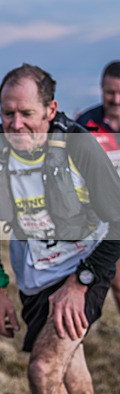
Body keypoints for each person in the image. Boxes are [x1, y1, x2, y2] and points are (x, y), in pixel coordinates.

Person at [0, 63, 120, 394]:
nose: (16, 125)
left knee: (43, 369)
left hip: (86, 265)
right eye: (7, 113)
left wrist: (80, 284)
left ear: (50, 110)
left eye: (26, 114)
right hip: (35, 277)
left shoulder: (79, 145)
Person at [76, 60, 120, 313]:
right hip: (102, 223)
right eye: (110, 92)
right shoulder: (85, 124)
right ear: (101, 89)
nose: (115, 99)